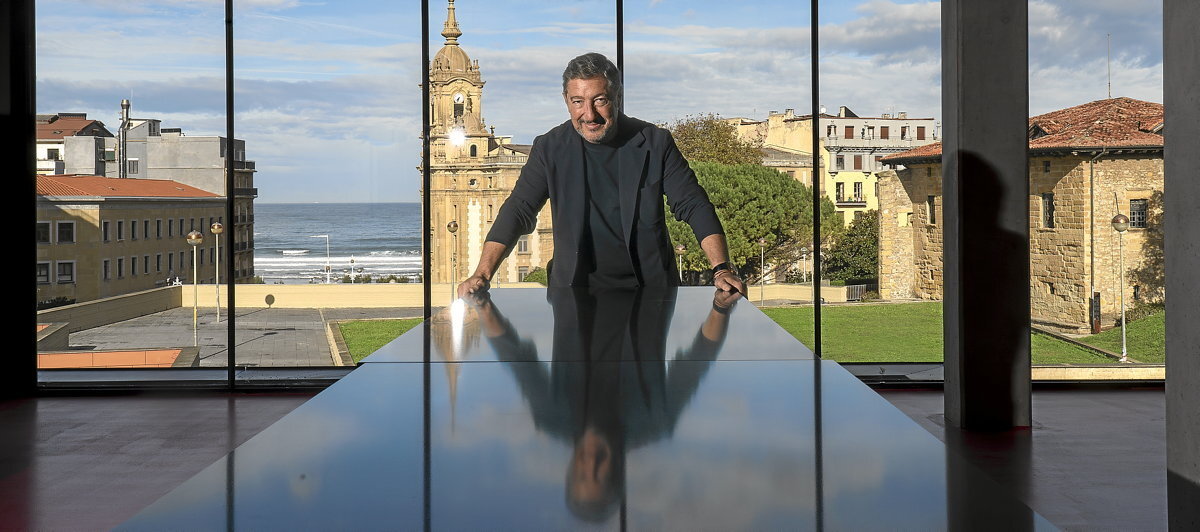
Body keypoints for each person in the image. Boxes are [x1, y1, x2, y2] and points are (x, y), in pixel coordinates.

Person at [456, 52, 747, 296]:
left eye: (599, 100)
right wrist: (482, 273)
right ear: (566, 99)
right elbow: (519, 209)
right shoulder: (549, 147)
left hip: (651, 293)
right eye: (577, 101)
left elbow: (693, 204)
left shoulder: (655, 142)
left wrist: (721, 268)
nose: (589, 114)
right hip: (573, 294)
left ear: (617, 97)